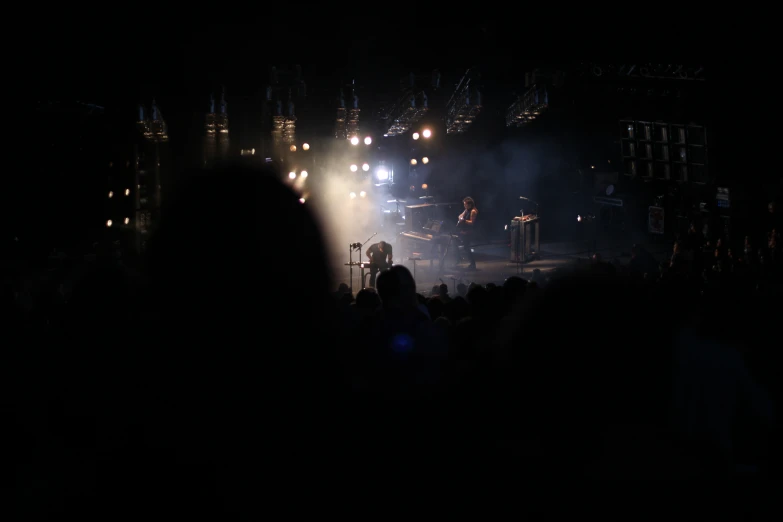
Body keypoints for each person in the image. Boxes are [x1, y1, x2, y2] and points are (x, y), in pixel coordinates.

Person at [455, 197, 478, 270]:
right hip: (464, 231)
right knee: (464, 247)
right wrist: (461, 218)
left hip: (469, 232)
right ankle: (460, 260)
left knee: (467, 247)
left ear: (469, 204)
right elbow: (460, 215)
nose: (464, 206)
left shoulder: (473, 211)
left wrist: (464, 220)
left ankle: (472, 264)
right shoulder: (466, 210)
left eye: (465, 204)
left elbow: (472, 222)